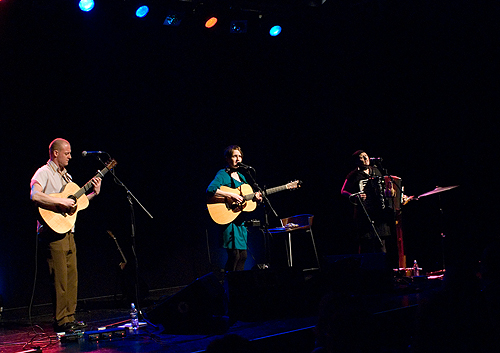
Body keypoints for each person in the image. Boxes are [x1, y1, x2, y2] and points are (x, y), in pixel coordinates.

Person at [30, 138, 101, 332]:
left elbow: (75, 205)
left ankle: (70, 317)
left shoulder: (67, 177)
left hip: (68, 231)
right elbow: (35, 196)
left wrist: (93, 194)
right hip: (52, 233)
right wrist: (60, 202)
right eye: (67, 153)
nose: (70, 156)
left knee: (71, 277)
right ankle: (61, 321)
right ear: (55, 153)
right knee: (60, 279)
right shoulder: (43, 173)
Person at [206, 145, 262, 272]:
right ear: (227, 158)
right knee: (234, 255)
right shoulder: (223, 174)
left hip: (240, 221)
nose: (238, 159)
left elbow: (245, 199)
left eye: (240, 156)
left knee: (243, 256)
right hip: (229, 221)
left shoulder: (242, 176)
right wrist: (231, 194)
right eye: (235, 156)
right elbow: (210, 190)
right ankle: (228, 286)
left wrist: (256, 198)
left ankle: (239, 287)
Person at [340, 150, 393, 254]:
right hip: (364, 213)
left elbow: (383, 186)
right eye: (362, 157)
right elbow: (343, 191)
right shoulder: (353, 175)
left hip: (378, 212)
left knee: (381, 244)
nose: (365, 158)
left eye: (366, 156)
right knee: (366, 244)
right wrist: (355, 196)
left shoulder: (376, 171)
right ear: (356, 161)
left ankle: (382, 267)